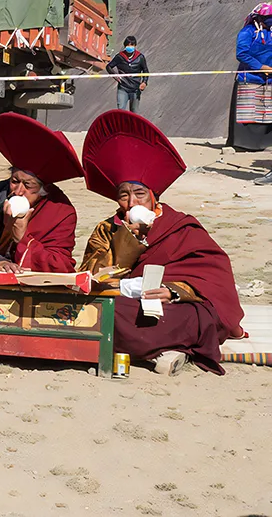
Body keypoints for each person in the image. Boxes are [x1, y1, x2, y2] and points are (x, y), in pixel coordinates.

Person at [79, 110, 245, 375]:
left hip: (171, 306)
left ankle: (170, 346)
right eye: (124, 196)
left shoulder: (180, 224)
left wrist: (174, 291)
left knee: (196, 317)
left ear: (154, 195)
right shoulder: (107, 228)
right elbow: (90, 277)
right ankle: (169, 348)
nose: (132, 203)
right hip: (124, 303)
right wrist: (128, 239)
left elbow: (212, 273)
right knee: (105, 314)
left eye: (140, 194)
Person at [0, 113, 82, 273]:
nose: (18, 191)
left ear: (44, 190)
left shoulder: (61, 212)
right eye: (15, 181)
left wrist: (22, 238)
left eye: (28, 185)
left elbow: (60, 265)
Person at [228, 3, 272, 185]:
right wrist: (261, 67)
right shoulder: (247, 33)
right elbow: (242, 54)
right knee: (252, 115)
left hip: (269, 80)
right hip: (252, 77)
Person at [106, 35, 149, 113]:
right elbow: (109, 67)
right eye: (128, 45)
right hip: (123, 88)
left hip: (136, 89)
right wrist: (116, 77)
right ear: (125, 46)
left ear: (135, 46)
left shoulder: (140, 57)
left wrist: (144, 82)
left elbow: (145, 71)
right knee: (121, 111)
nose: (130, 47)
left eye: (132, 45)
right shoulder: (119, 57)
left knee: (134, 112)